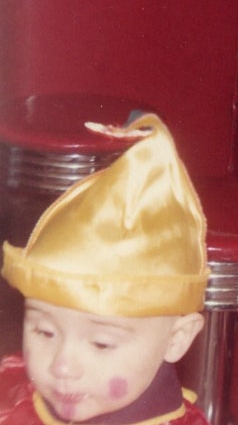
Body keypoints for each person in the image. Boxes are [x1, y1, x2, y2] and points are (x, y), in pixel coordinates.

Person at [0, 113, 212, 425]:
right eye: (45, 332)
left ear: (176, 339)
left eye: (101, 343)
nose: (62, 366)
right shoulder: (15, 391)